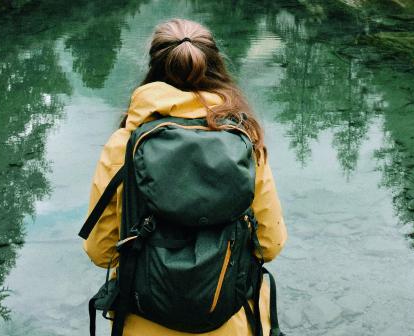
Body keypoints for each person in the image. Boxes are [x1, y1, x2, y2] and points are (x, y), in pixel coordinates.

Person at [82, 18, 287, 336]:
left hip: (144, 322)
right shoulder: (244, 138)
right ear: (216, 66)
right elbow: (269, 246)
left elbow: (102, 252)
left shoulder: (124, 145)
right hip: (229, 321)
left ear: (154, 68)